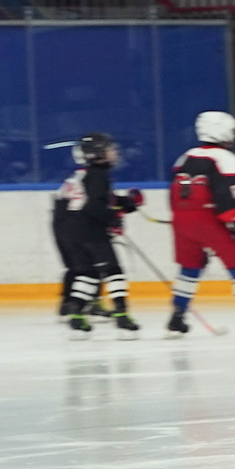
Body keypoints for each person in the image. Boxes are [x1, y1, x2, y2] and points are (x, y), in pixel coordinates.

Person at [166, 111, 235, 336]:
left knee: (189, 268)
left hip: (181, 220)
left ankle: (177, 318)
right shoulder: (224, 158)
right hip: (209, 219)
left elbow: (175, 191)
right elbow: (223, 194)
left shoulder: (185, 157)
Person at [51, 132, 143, 335]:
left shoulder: (80, 176)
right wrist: (112, 219)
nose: (114, 152)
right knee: (113, 270)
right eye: (109, 149)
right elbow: (95, 206)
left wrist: (125, 203)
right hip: (90, 231)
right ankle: (122, 314)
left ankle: (76, 312)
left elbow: (94, 201)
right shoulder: (98, 175)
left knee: (88, 273)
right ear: (97, 154)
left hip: (71, 232)